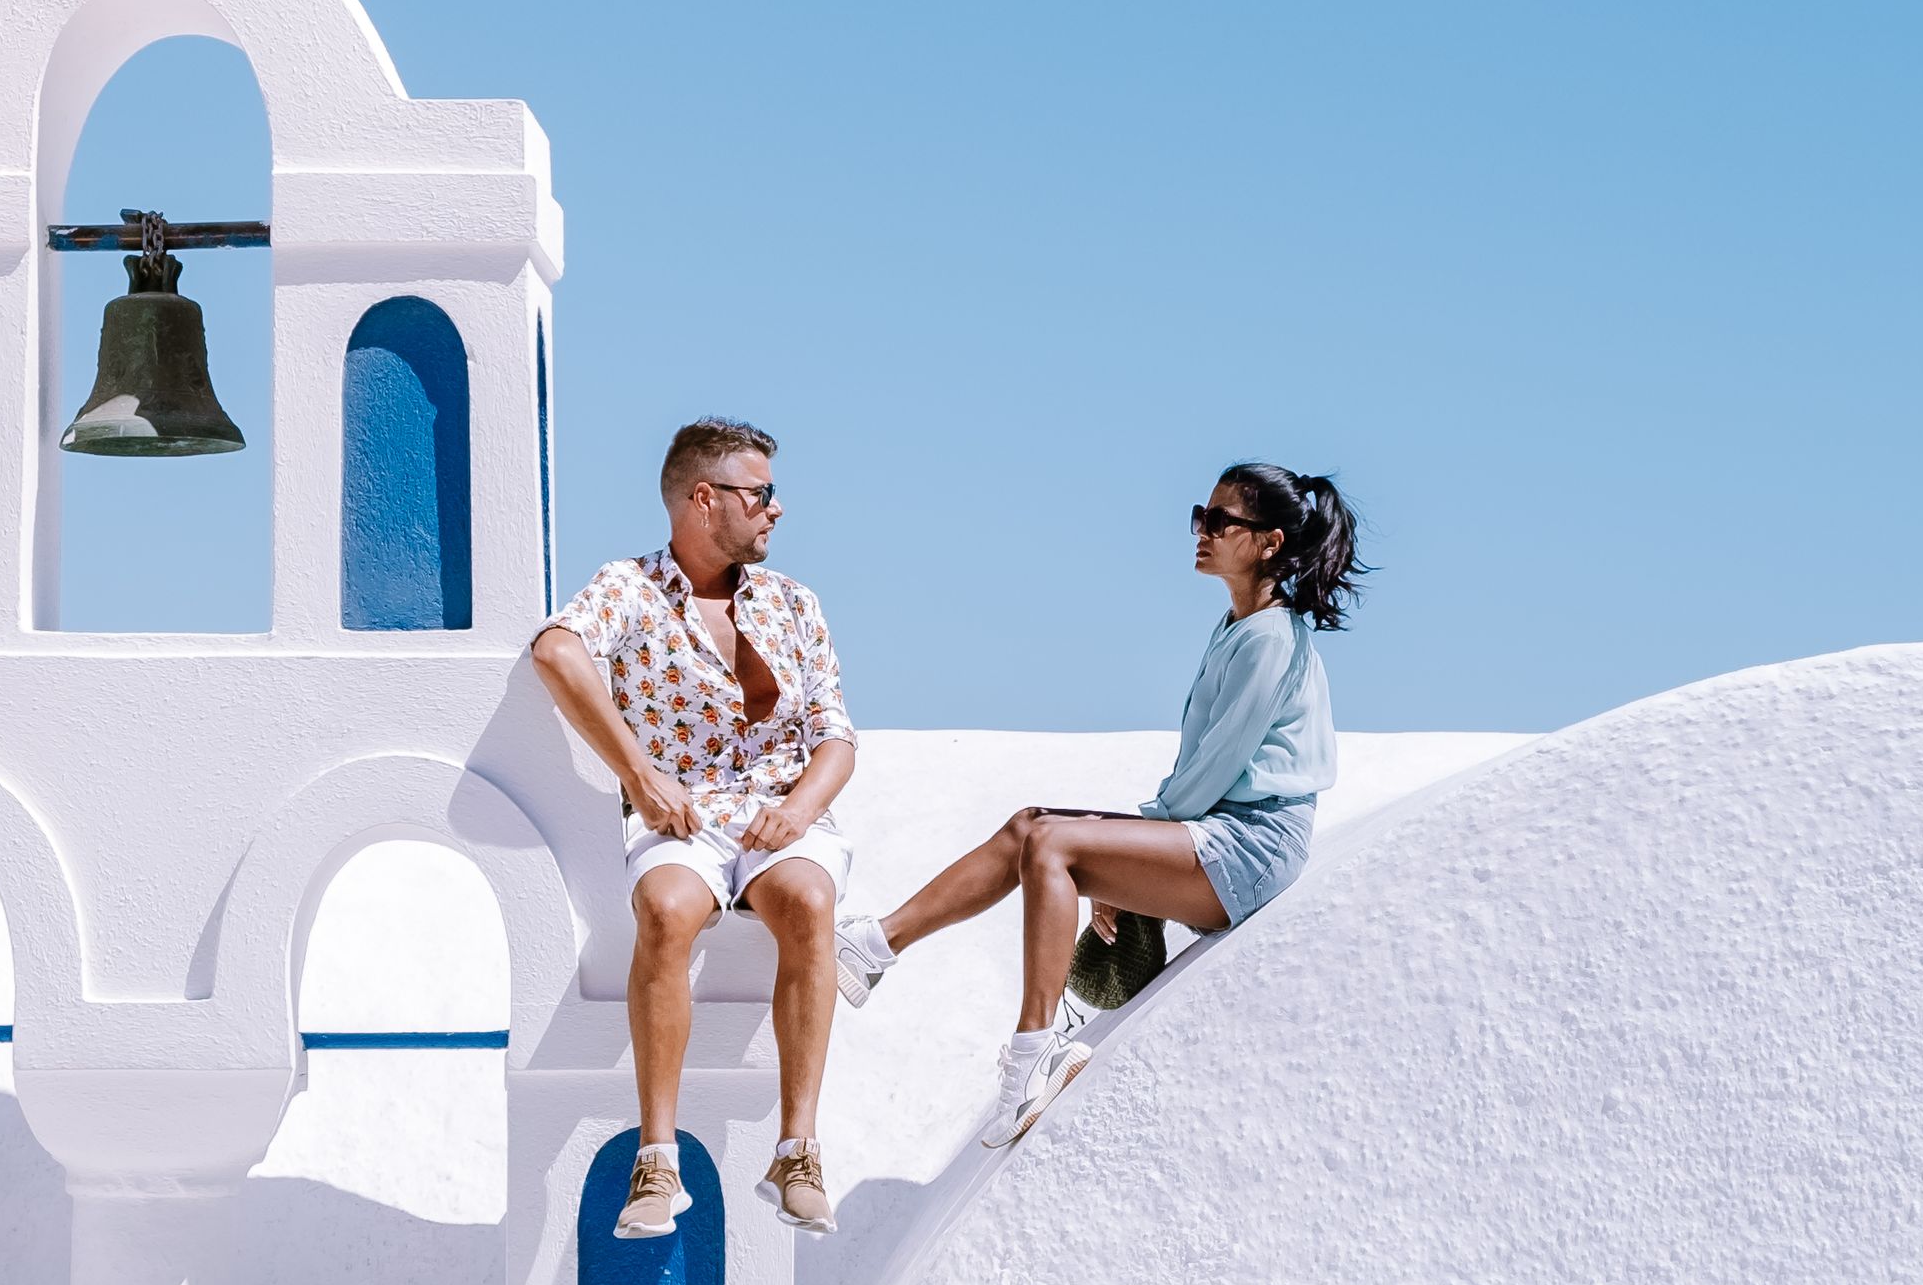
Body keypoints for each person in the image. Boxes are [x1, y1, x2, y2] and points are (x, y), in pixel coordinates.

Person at [835, 464, 1360, 1149]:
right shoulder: (1238, 627)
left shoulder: (1270, 638)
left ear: (1269, 542)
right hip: (1215, 833)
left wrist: (1119, 855)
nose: (1202, 532)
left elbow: (1214, 770)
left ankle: (1034, 1054)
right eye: (1200, 515)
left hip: (1251, 848)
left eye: (1222, 521)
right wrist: (1121, 861)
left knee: (1054, 844)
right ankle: (873, 946)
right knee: (1031, 825)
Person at [531, 419, 857, 1240]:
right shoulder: (630, 587)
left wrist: (802, 808)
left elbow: (836, 735)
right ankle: (656, 1156)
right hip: (682, 811)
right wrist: (640, 773)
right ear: (702, 500)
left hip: (782, 812)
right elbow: (557, 653)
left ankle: (798, 1148)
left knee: (810, 901)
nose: (776, 511)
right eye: (761, 494)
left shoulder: (792, 602)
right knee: (667, 912)